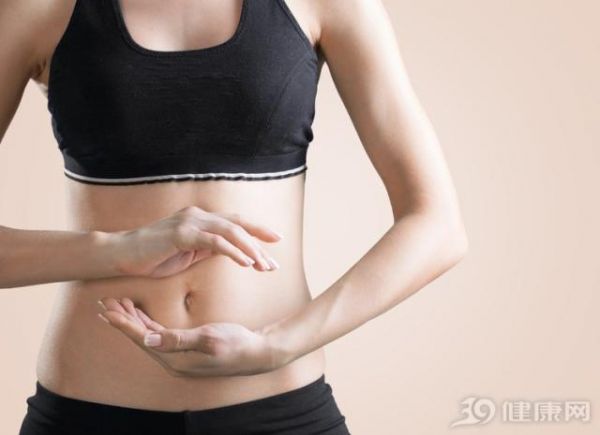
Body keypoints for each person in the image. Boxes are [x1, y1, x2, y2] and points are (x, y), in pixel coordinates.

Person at [1, 0, 468, 434]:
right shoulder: (36, 7)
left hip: (282, 411)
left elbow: (437, 225)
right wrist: (118, 251)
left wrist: (278, 346)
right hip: (85, 413)